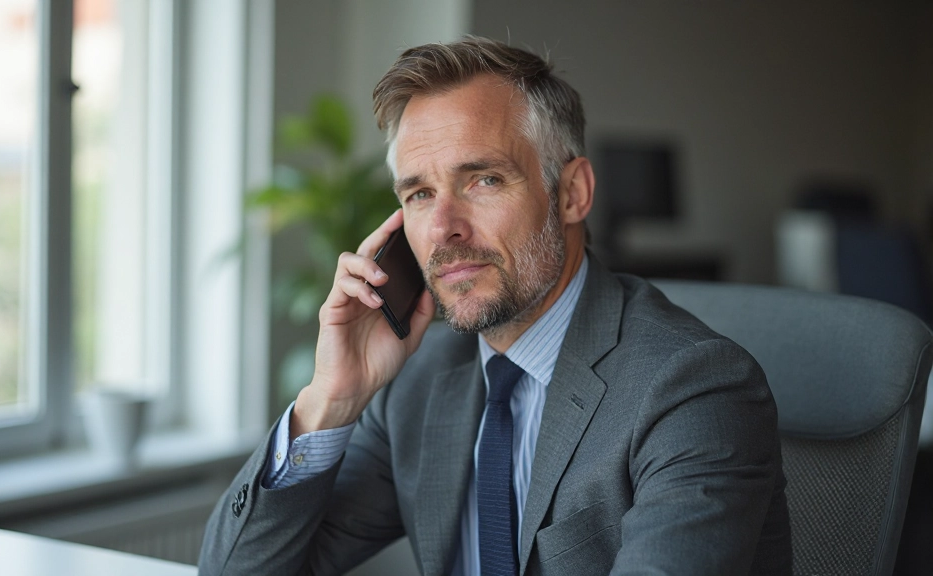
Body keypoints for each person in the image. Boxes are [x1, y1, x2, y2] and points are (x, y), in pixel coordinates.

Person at [198, 36, 792, 576]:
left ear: (572, 193)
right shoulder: (420, 383)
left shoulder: (695, 388)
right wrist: (330, 399)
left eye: (483, 180)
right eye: (421, 194)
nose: (444, 228)